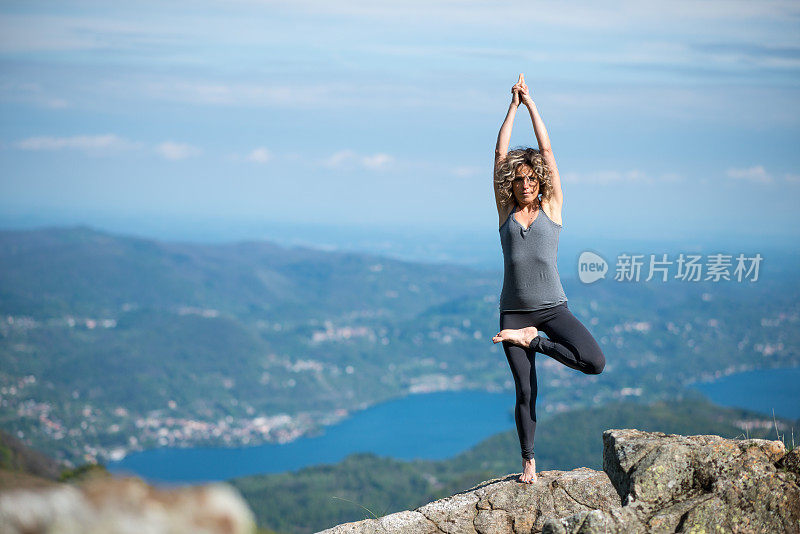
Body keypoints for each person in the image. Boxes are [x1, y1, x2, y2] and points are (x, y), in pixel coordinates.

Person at [491, 74, 606, 484]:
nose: (524, 184)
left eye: (531, 179)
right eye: (518, 179)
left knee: (595, 362)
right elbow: (501, 151)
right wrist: (512, 106)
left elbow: (548, 151)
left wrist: (531, 103)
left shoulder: (552, 208)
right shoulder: (505, 213)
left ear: (540, 182)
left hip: (553, 311)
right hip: (513, 314)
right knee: (525, 391)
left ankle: (533, 341)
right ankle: (528, 462)